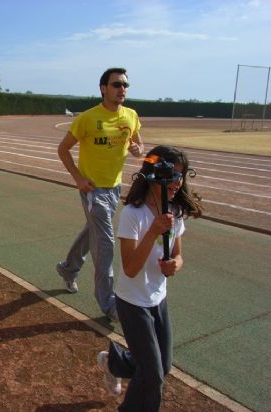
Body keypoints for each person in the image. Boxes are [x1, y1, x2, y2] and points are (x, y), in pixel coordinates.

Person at [97, 145, 202, 411]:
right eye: (171, 176)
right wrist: (153, 229)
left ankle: (115, 362)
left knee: (162, 366)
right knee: (153, 375)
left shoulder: (175, 213)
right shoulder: (134, 214)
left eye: (180, 176)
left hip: (158, 299)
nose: (176, 183)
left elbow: (179, 255)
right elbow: (130, 268)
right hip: (132, 302)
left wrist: (174, 265)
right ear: (154, 175)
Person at [55, 67, 144, 321]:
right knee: (105, 243)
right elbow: (63, 149)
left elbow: (139, 145)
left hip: (115, 188)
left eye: (125, 85)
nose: (122, 89)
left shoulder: (131, 116)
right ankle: (108, 304)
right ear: (103, 88)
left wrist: (138, 149)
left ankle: (68, 269)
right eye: (117, 84)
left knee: (93, 231)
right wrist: (78, 179)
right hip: (92, 190)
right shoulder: (88, 118)